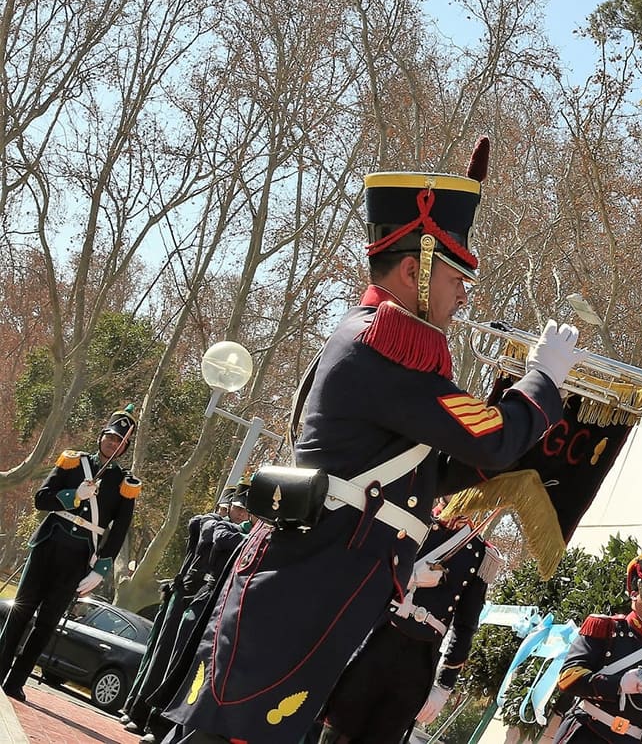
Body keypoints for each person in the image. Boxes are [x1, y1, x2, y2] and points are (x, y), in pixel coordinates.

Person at [160, 137, 581, 744]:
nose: (464, 294)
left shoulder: (390, 348)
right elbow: (488, 440)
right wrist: (542, 383)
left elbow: (438, 468)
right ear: (415, 269)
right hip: (307, 587)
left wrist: (520, 416)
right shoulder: (386, 341)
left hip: (328, 589)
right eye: (457, 276)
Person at [312, 499, 498, 743]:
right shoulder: (412, 522)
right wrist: (408, 579)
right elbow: (364, 578)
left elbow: (465, 627)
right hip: (377, 642)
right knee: (338, 730)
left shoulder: (480, 553)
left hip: (418, 665)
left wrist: (444, 686)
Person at [0, 408, 141, 702]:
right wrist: (73, 496)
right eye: (111, 437)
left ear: (125, 448)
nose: (113, 444)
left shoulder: (125, 484)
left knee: (47, 623)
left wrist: (101, 569)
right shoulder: (73, 462)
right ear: (102, 436)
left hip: (79, 558)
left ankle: (16, 680)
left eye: (120, 442)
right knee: (20, 612)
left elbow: (118, 531)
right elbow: (41, 499)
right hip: (48, 546)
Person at [132, 484, 256, 744]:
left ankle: (168, 728)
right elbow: (218, 535)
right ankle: (150, 719)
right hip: (196, 596)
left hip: (221, 606)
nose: (241, 515)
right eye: (237, 508)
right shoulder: (214, 522)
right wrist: (246, 536)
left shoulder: (251, 534)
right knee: (170, 659)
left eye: (246, 511)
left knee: (197, 673)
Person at [551, 542, 642, 744]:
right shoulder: (604, 628)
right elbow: (568, 678)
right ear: (635, 592)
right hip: (585, 732)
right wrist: (618, 685)